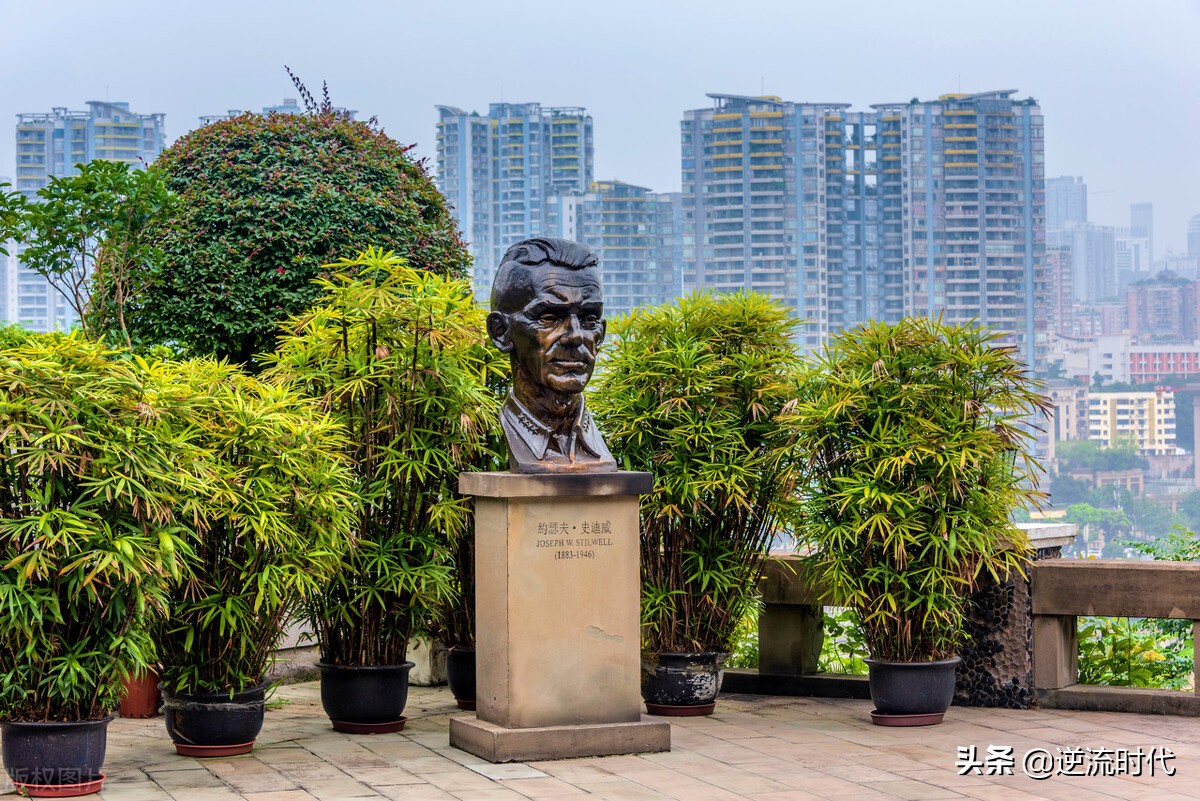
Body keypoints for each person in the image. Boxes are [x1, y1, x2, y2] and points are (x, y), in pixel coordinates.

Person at [486, 237, 617, 474]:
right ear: (501, 332)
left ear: (602, 334)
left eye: (589, 319)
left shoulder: (599, 451)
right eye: (549, 318)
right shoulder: (491, 434)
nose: (575, 336)